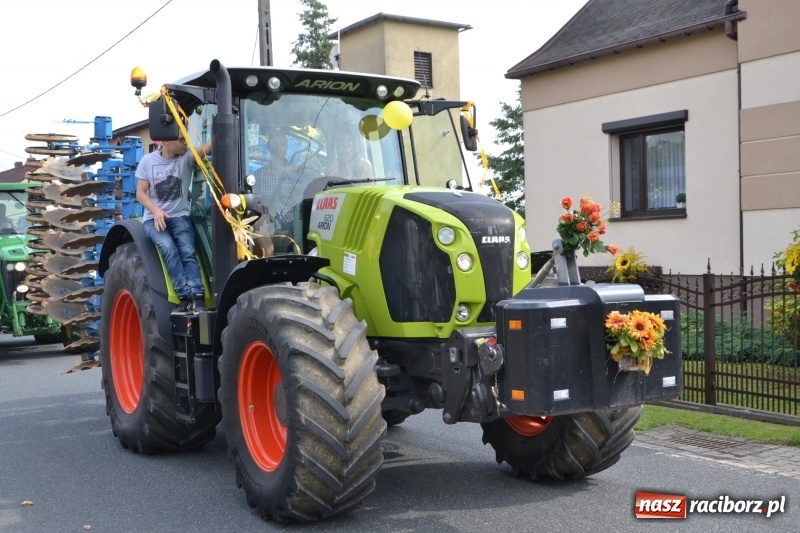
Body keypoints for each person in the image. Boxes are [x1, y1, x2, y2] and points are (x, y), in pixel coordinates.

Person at [136, 132, 212, 312]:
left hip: (180, 216)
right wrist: (156, 211)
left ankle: (198, 297)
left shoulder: (186, 157)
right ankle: (184, 297)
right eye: (181, 140)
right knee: (168, 248)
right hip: (153, 219)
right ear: (167, 141)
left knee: (187, 251)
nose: (186, 143)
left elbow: (207, 147)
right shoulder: (147, 161)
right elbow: (140, 193)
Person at [251, 128, 298, 257]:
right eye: (276, 144)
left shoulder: (296, 171)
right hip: (270, 217)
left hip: (292, 216)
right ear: (269, 147)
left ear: (287, 147)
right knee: (260, 222)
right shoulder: (259, 175)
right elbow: (258, 203)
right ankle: (269, 260)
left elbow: (300, 198)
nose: (280, 148)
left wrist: (293, 181)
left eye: (283, 144)